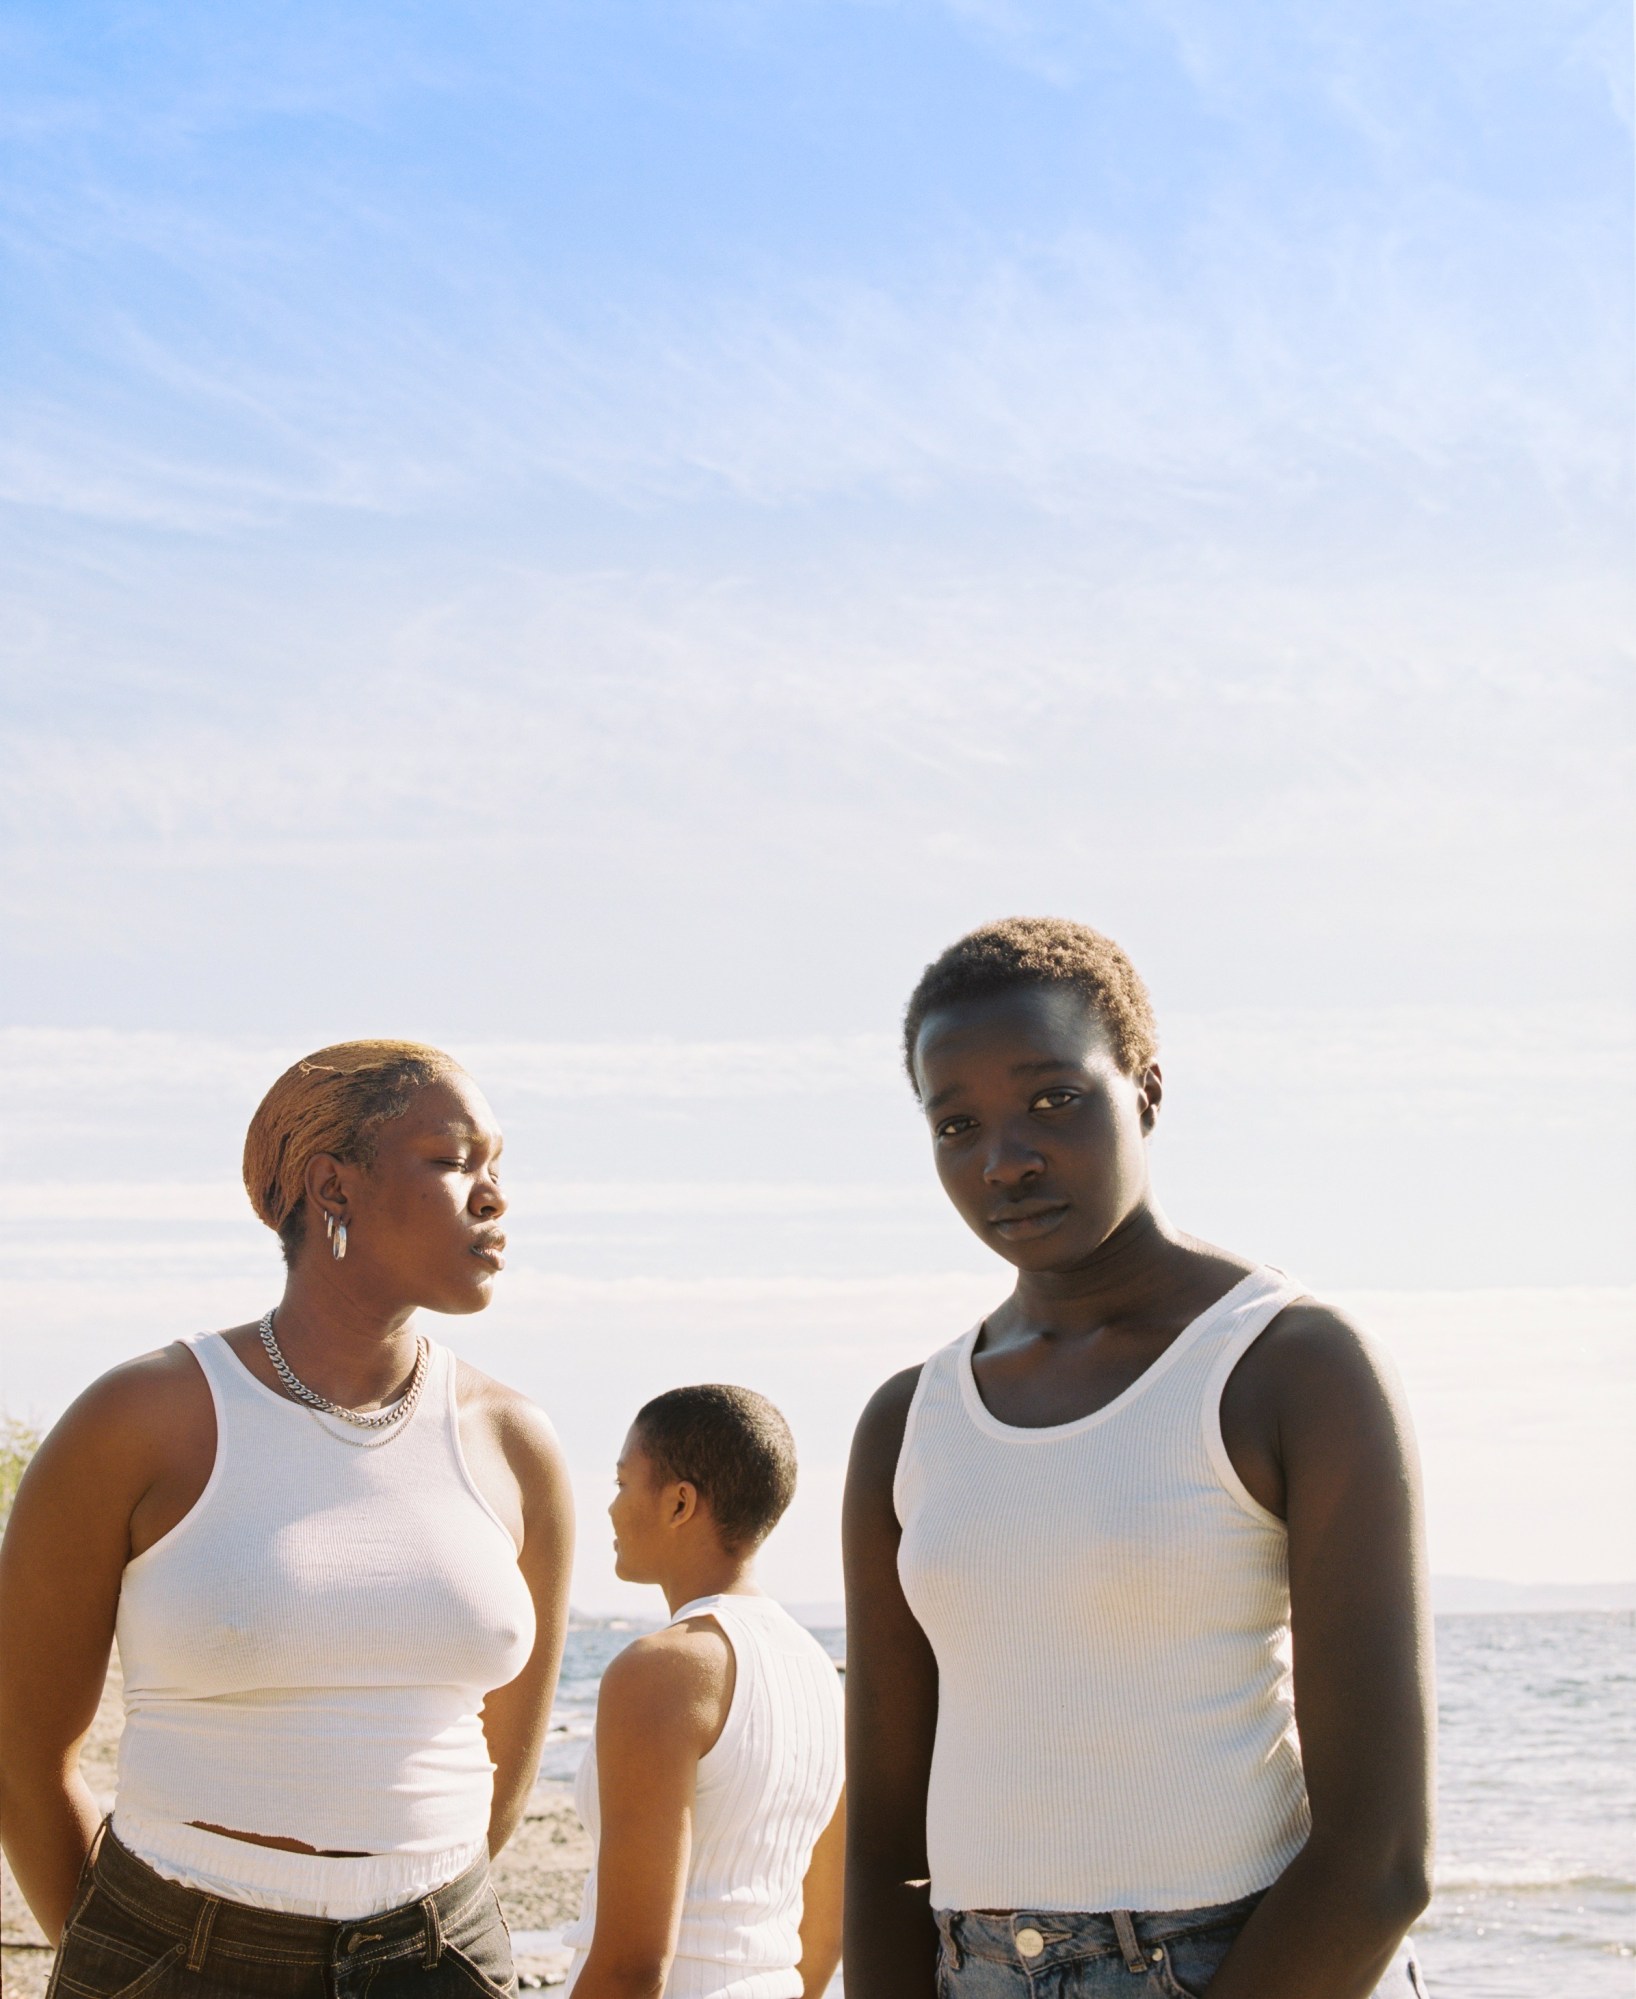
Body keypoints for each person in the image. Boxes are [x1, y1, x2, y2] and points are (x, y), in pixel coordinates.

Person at [843, 920, 1434, 1999]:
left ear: (1146, 1089)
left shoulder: (1289, 1366)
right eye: (956, 1123)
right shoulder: (907, 1420)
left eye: (1053, 1099)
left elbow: (1381, 1859)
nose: (1004, 1158)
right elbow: (883, 1849)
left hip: (1247, 1962)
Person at [0, 1040, 575, 1998]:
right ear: (331, 1187)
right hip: (175, 1951)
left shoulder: (518, 1444)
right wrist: (128, 1953)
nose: (494, 1196)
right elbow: (21, 1748)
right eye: (453, 1159)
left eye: (498, 1165)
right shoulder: (138, 1419)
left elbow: (501, 1770)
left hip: (442, 1956)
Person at [563, 1385, 845, 1999]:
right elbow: (823, 1933)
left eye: (621, 1482)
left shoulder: (663, 1670)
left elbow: (632, 1966)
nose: (611, 1509)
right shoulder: (819, 1671)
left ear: (680, 1503)